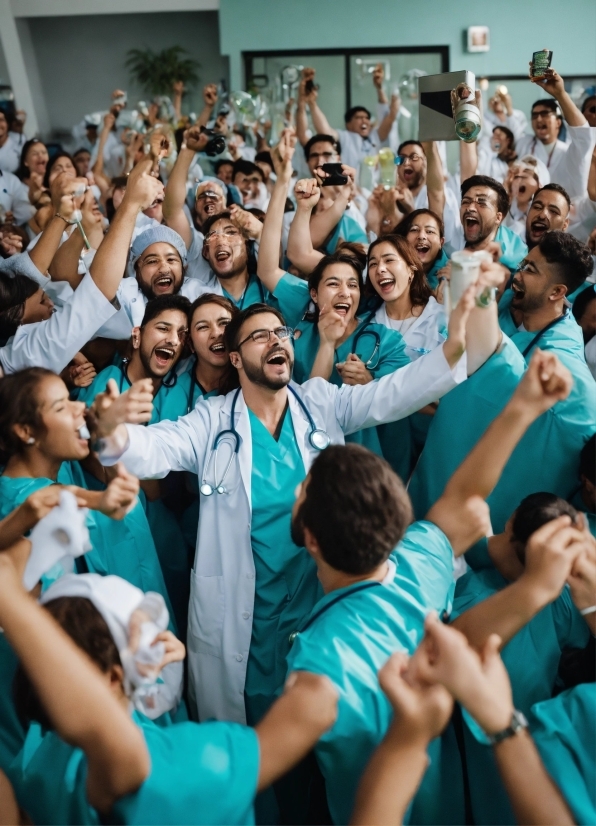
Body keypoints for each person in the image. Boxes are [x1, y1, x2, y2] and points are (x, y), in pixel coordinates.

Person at [88, 272, 480, 730]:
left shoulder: (321, 402)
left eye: (281, 332)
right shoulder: (211, 421)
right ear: (235, 358)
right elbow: (153, 449)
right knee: (253, 743)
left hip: (318, 607)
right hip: (246, 625)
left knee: (320, 735)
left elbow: (392, 395)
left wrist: (454, 346)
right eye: (259, 336)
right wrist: (110, 431)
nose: (276, 340)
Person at [284, 347, 574, 825]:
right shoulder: (414, 565)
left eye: (302, 490)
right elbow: (462, 495)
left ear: (311, 540)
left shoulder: (320, 661)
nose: (295, 488)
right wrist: (523, 406)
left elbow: (259, 756)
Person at [0, 555, 338, 826]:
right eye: (142, 635)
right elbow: (282, 737)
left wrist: (153, 684)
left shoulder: (32, 754)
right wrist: (311, 693)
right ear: (114, 677)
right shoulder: (169, 762)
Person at [410, 230, 596, 540]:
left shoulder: (562, 362)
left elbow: (497, 358)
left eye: (530, 270)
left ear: (557, 292)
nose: (518, 276)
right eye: (523, 264)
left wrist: (473, 278)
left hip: (475, 527)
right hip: (430, 479)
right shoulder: (510, 305)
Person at [447, 493, 594, 824]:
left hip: (484, 743)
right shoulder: (569, 602)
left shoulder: (466, 599)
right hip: (536, 751)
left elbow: (454, 643)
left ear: (511, 518)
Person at [78, 296, 192, 632]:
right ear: (138, 336)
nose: (173, 338)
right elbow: (86, 452)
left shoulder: (176, 393)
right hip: (115, 524)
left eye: (182, 333)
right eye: (163, 328)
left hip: (165, 529)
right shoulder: (111, 380)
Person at [515, 67, 595, 200]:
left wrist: (560, 94)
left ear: (558, 122)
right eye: (534, 116)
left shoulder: (568, 152)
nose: (539, 119)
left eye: (544, 114)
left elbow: (583, 136)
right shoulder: (523, 145)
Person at [297, 66, 399, 170]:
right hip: (349, 185)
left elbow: (387, 118)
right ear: (348, 124)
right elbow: (325, 131)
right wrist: (312, 104)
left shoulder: (374, 137)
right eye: (359, 117)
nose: (364, 120)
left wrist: (379, 88)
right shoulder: (345, 138)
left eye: (367, 118)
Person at [395, 207, 449, 288]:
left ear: (441, 243)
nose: (421, 236)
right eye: (414, 230)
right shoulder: (393, 268)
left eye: (430, 231)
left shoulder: (453, 275)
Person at [524, 183, 571, 250]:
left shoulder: (571, 260)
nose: (542, 215)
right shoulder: (507, 251)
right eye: (537, 207)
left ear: (565, 225)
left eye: (553, 211)